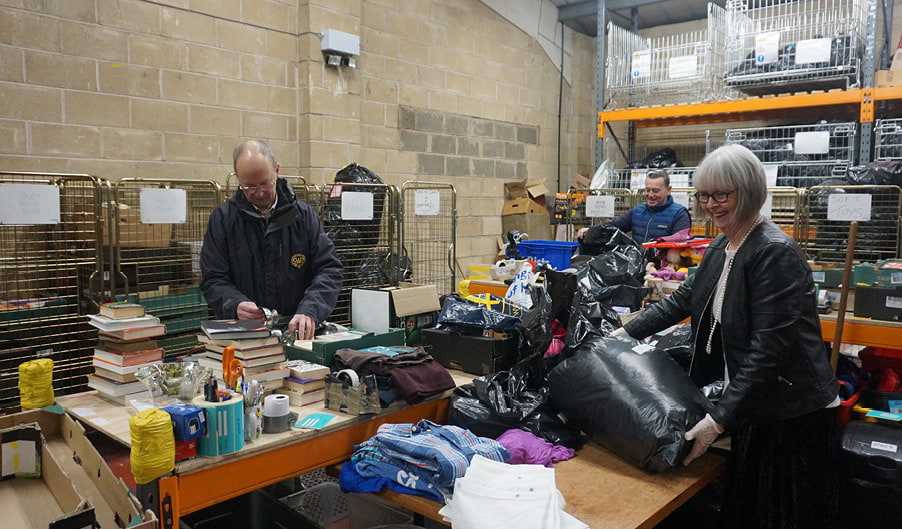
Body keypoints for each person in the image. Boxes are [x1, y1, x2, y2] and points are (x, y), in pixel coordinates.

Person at [614, 144, 840, 529]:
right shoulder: (723, 243)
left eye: (722, 194)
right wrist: (621, 333)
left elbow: (768, 350)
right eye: (705, 195)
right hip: (755, 401)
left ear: (749, 191)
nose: (712, 205)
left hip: (791, 412)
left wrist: (718, 420)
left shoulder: (774, 252)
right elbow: (684, 298)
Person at [200, 139, 343, 340]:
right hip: (243, 336)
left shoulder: (304, 217)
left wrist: (310, 310)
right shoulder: (223, 220)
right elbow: (213, 278)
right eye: (248, 186)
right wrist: (234, 304)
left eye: (264, 183)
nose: (258, 192)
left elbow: (329, 269)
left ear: (276, 170)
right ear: (238, 179)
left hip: (297, 333)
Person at [576, 170, 691, 246]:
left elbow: (680, 244)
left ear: (668, 190)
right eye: (647, 190)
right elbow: (614, 225)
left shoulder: (679, 214)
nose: (650, 195)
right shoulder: (637, 211)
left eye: (656, 191)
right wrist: (591, 230)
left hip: (664, 269)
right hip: (637, 265)